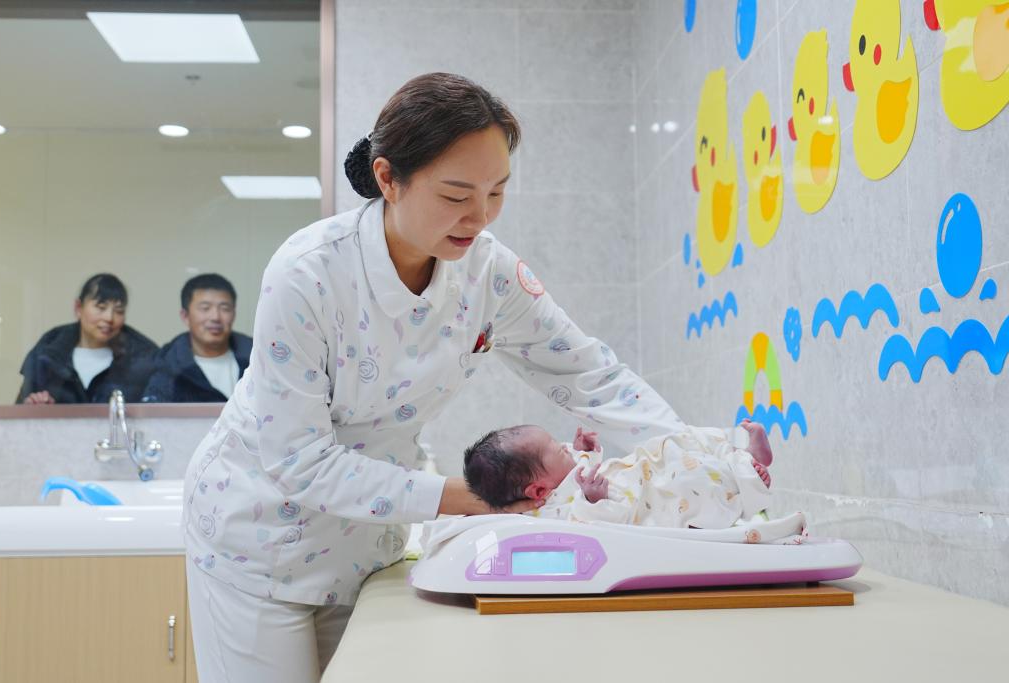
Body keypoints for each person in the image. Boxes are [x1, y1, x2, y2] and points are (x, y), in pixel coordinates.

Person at [182, 72, 691, 683]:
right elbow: (299, 461)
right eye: (456, 195)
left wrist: (700, 467)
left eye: (496, 192)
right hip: (257, 537)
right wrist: (471, 497)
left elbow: (591, 374)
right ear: (387, 178)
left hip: (367, 542)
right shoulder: (307, 275)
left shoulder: (489, 273)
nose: (479, 216)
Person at [464, 419, 774, 529]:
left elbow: (580, 469)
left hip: (643, 471)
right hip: (651, 503)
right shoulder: (548, 512)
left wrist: (584, 452)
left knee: (672, 443)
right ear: (538, 491)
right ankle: (746, 474)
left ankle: (737, 451)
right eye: (557, 450)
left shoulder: (554, 477)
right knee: (689, 481)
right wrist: (593, 501)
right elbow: (584, 525)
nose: (564, 448)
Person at [17, 273, 157, 404]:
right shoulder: (50, 348)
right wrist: (37, 406)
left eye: (119, 311)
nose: (109, 318)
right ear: (78, 308)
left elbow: (155, 411)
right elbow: (22, 408)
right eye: (101, 307)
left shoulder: (143, 356)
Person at [142, 273, 253, 402]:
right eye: (205, 308)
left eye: (225, 308)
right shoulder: (167, 366)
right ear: (185, 316)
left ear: (234, 313)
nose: (215, 317)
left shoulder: (257, 357)